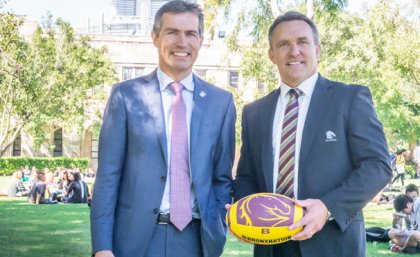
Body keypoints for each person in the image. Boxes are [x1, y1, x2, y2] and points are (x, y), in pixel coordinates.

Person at [231, 11, 391, 257]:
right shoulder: (255, 112)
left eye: (302, 42)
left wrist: (327, 207)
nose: (294, 51)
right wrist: (243, 211)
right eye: (283, 44)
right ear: (271, 55)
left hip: (332, 243)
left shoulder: (350, 99)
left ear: (317, 49)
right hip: (270, 247)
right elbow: (246, 177)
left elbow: (377, 166)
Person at [90, 1, 236, 257]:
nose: (182, 42)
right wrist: (102, 247)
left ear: (201, 40)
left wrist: (218, 226)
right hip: (135, 240)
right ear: (155, 38)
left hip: (197, 240)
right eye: (172, 32)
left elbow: (221, 178)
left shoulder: (221, 102)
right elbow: (107, 177)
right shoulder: (126, 95)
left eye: (191, 33)